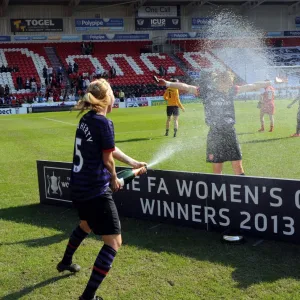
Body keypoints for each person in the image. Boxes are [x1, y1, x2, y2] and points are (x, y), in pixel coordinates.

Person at [56, 78, 147, 300]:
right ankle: (88, 297)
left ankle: (65, 262)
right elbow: (107, 159)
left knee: (85, 225)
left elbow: (109, 147)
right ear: (107, 98)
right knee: (114, 242)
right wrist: (114, 178)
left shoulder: (87, 119)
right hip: (94, 191)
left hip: (78, 187)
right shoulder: (104, 123)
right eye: (113, 92)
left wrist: (133, 162)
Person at [156, 71, 278, 175]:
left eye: (231, 83)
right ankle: (219, 197)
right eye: (228, 83)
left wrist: (270, 82)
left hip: (230, 132)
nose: (230, 85)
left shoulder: (231, 90)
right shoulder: (206, 91)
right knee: (217, 170)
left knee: (238, 167)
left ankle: (241, 194)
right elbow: (186, 87)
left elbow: (252, 86)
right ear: (221, 82)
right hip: (215, 134)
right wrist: (167, 83)